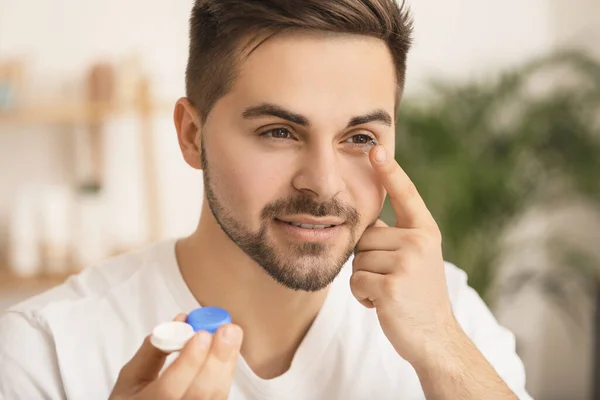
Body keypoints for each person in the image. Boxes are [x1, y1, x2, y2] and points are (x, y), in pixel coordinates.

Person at [0, 1, 533, 399]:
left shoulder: (452, 314)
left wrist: (444, 351)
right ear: (192, 134)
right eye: (279, 132)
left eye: (360, 138)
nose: (323, 184)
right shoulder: (45, 354)